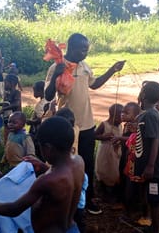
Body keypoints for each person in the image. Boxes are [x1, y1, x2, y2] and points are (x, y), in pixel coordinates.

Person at [44, 33, 125, 215]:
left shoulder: (84, 66)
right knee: (66, 163)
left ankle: (87, 200)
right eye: (82, 49)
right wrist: (58, 73)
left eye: (87, 49)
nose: (85, 53)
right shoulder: (57, 67)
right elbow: (48, 96)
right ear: (71, 48)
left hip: (87, 125)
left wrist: (113, 70)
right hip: (67, 126)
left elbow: (94, 85)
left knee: (86, 163)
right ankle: (65, 198)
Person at [0, 117, 85, 233]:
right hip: (72, 228)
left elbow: (15, 209)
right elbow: (65, 178)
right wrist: (44, 166)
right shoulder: (79, 162)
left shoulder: (46, 181)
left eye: (40, 146)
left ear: (48, 148)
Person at [132, 81, 159, 233]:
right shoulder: (149, 113)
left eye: (141, 92)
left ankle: (155, 228)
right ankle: (152, 224)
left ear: (144, 96)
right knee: (150, 193)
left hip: (156, 169)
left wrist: (150, 166)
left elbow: (154, 140)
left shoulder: (150, 115)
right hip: (152, 167)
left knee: (154, 198)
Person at [94, 103, 123, 201]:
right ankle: (103, 192)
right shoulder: (104, 124)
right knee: (104, 170)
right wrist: (103, 137)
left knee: (114, 171)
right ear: (113, 115)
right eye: (120, 116)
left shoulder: (120, 126)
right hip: (105, 152)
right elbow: (94, 136)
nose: (122, 119)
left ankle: (113, 190)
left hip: (115, 153)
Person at [2, 74, 22, 141]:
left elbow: (16, 104)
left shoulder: (17, 93)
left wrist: (4, 109)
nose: (4, 84)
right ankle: (7, 149)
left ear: (12, 83)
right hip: (8, 118)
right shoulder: (7, 93)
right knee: (6, 135)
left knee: (14, 137)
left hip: (16, 119)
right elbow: (6, 103)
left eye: (5, 82)